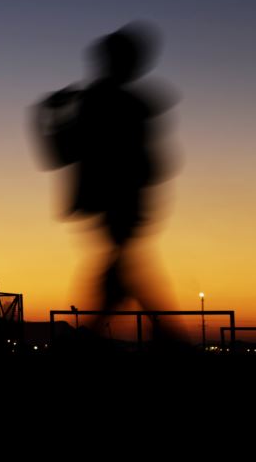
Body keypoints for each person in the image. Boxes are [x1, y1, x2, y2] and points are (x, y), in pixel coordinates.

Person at [35, 22, 179, 339]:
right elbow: (157, 166)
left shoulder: (101, 101)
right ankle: (168, 341)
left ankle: (162, 341)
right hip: (123, 207)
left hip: (112, 207)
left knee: (119, 282)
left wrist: (46, 115)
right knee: (122, 281)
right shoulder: (121, 103)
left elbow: (58, 154)